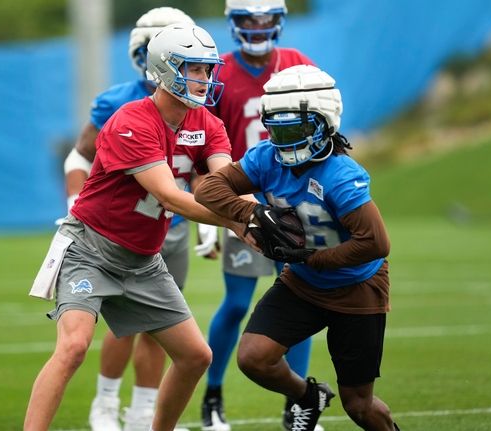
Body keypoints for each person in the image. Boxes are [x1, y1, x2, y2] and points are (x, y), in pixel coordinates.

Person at [24, 23, 245, 431]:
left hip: (144, 260)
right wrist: (243, 221)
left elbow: (226, 183)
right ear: (164, 68)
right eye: (194, 69)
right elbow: (171, 196)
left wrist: (259, 214)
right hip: (91, 250)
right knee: (73, 347)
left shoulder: (208, 123)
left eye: (207, 70)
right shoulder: (131, 120)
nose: (204, 79)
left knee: (197, 356)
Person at [196, 64, 400, 431]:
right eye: (278, 128)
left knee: (359, 405)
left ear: (324, 123)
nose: (286, 140)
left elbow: (375, 243)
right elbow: (208, 189)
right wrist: (253, 211)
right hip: (303, 283)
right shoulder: (265, 157)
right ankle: (308, 397)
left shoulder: (341, 175)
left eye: (297, 128)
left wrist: (312, 258)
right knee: (254, 357)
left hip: (357, 288)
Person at [59, 7, 205, 431]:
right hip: (115, 230)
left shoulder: (197, 105)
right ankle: (105, 402)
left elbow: (204, 169)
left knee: (161, 329)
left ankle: (145, 410)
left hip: (171, 227)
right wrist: (74, 197)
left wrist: (212, 225)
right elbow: (79, 155)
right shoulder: (118, 103)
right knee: (121, 328)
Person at [201, 1, 318, 430]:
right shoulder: (221, 74)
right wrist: (211, 216)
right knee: (235, 305)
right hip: (245, 206)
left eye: (265, 18)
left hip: (296, 204)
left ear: (279, 20)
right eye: (248, 20)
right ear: (233, 24)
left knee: (303, 303)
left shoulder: (299, 66)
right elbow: (204, 146)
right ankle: (213, 394)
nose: (258, 27)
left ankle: (298, 405)